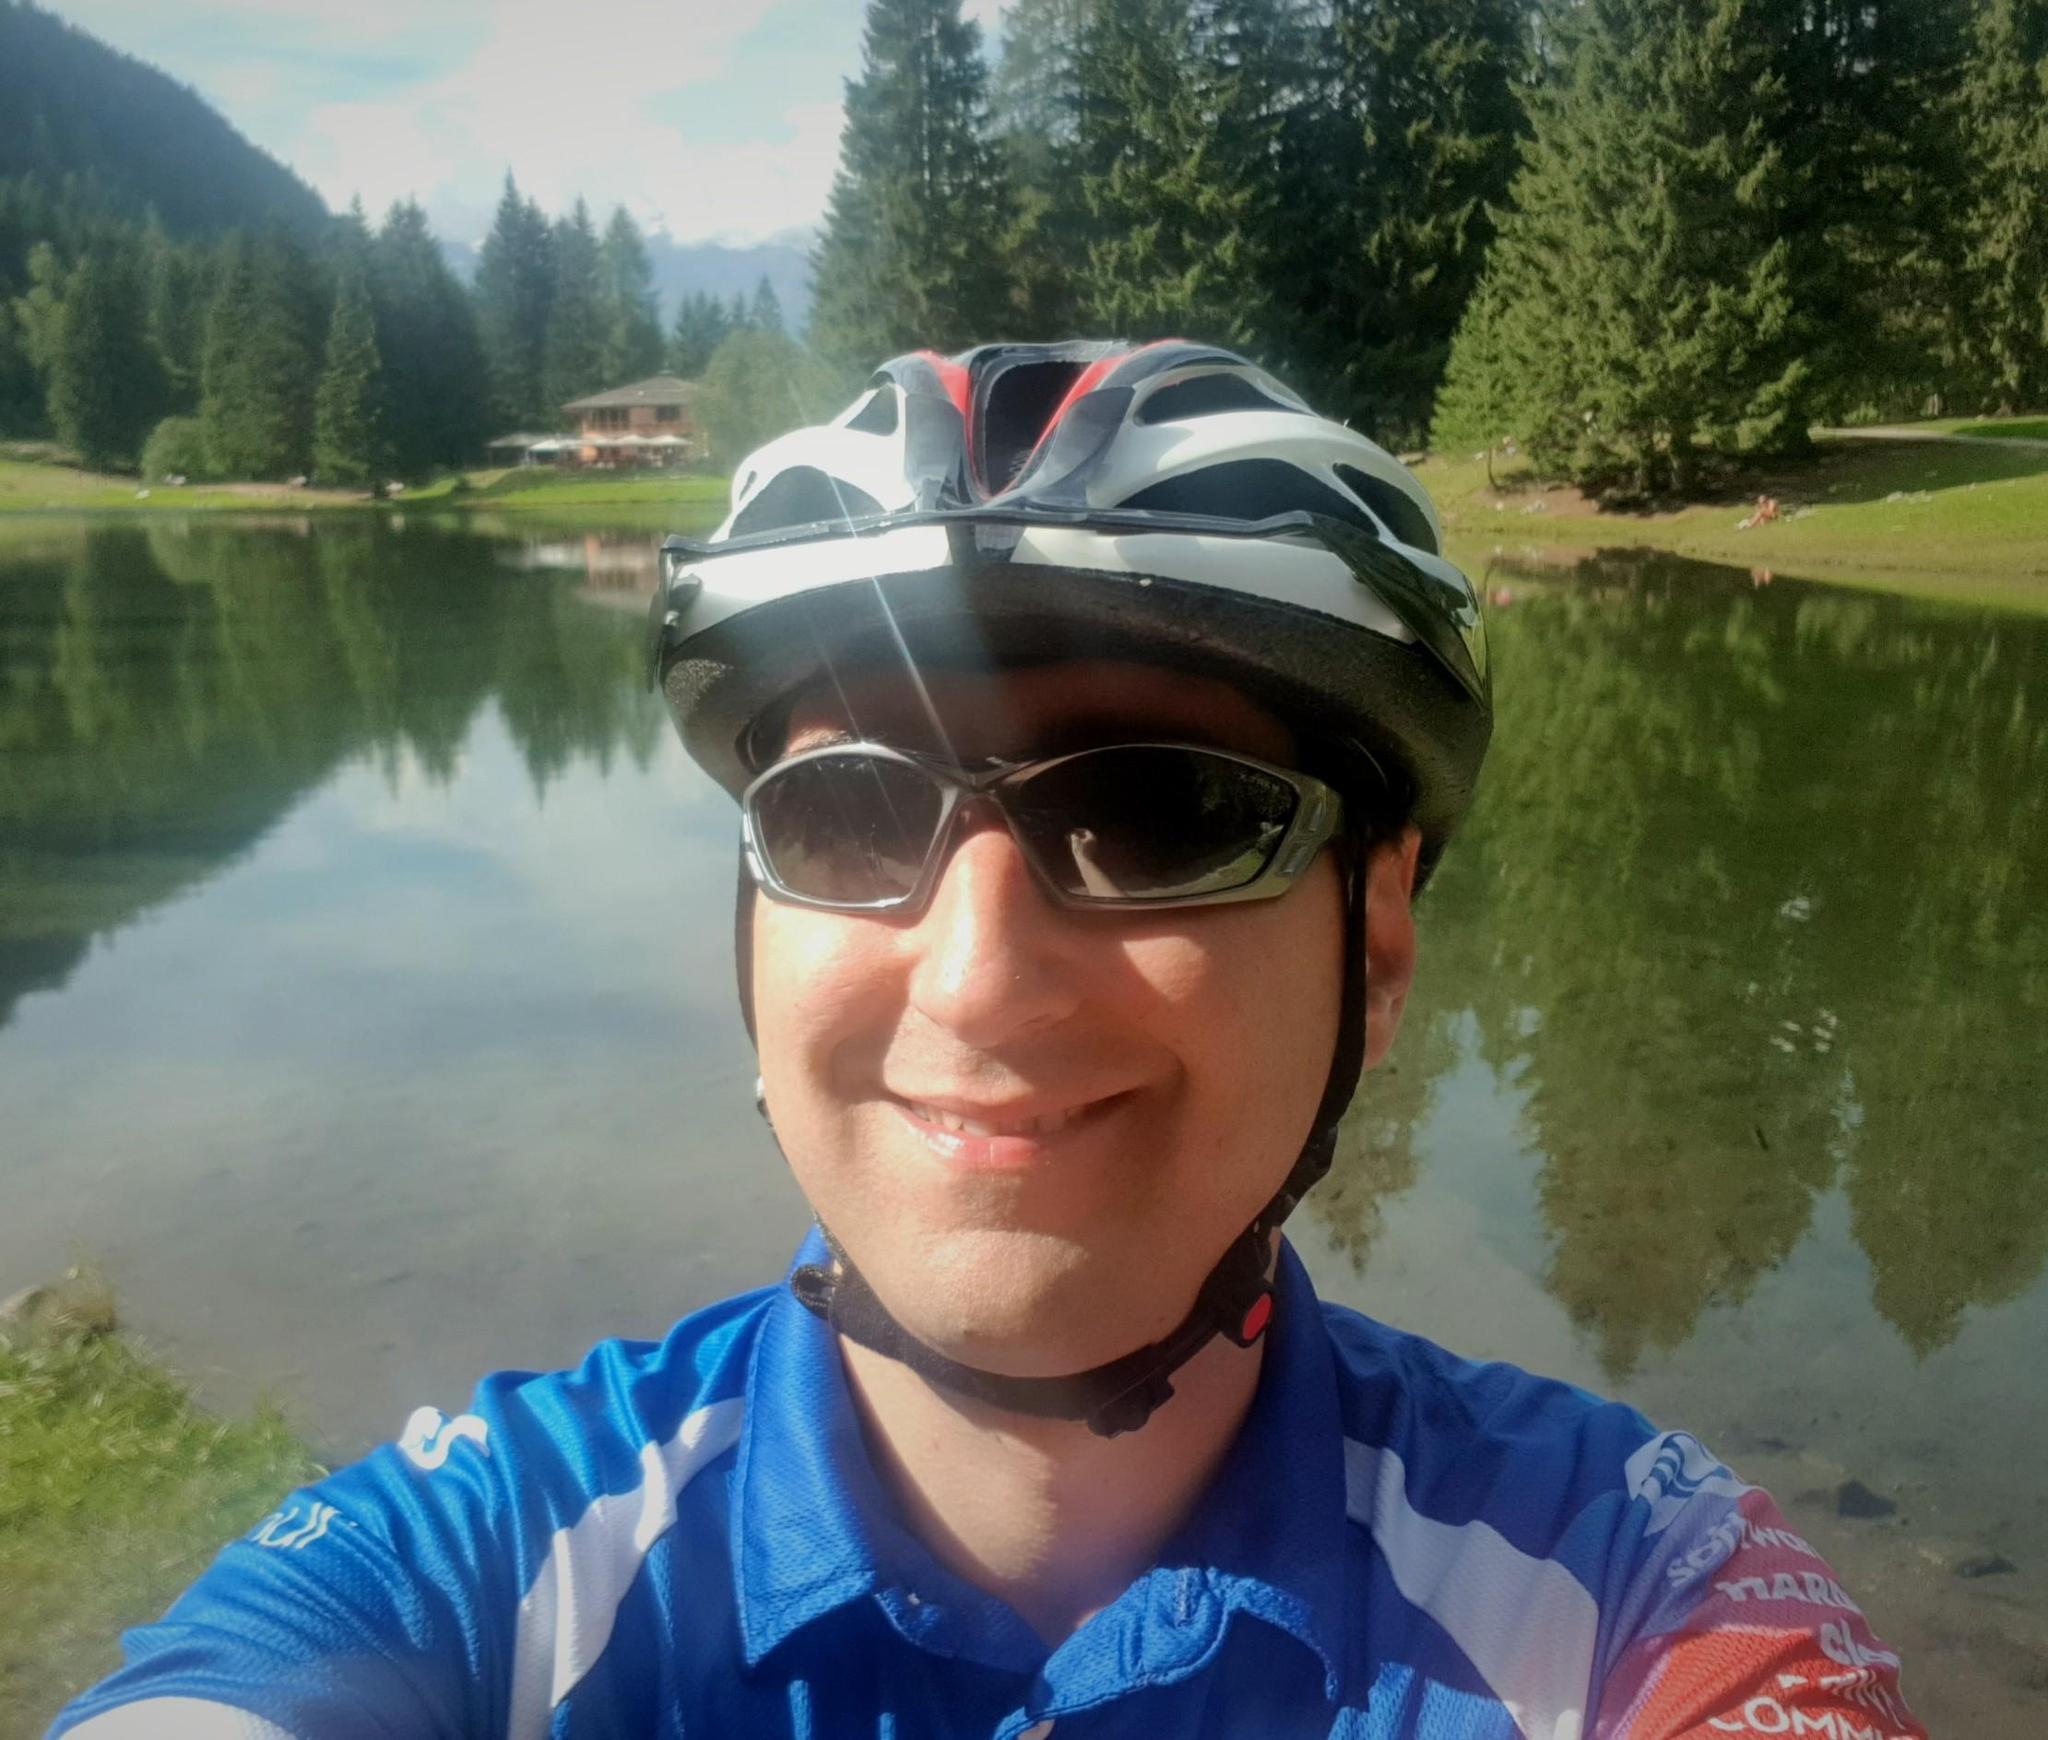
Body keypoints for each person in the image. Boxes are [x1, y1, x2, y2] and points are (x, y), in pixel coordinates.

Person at [52, 341, 1922, 1739]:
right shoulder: (489, 1568)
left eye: (1164, 814)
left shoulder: (1632, 1590)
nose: (975, 983)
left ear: (1377, 941)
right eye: (847, 815)